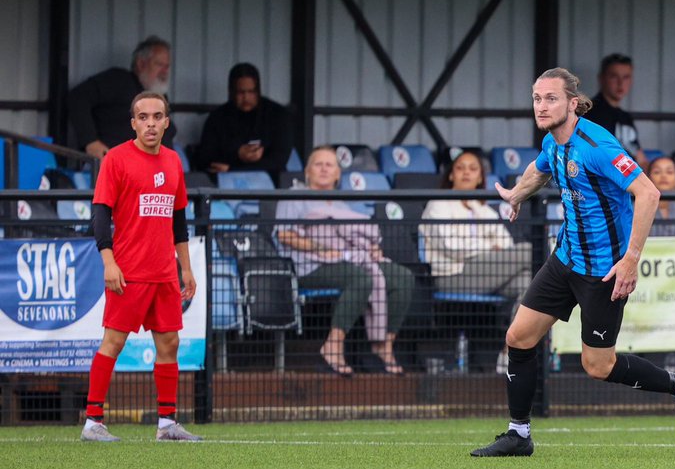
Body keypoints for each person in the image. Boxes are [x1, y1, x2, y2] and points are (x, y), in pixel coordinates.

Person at [471, 67, 675, 457]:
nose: (542, 106)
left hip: (604, 270)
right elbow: (541, 167)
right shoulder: (553, 141)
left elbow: (648, 193)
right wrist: (517, 194)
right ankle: (519, 433)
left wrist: (631, 260)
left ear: (572, 103)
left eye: (551, 98)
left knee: (598, 366)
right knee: (519, 337)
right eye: (537, 98)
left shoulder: (597, 145)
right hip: (565, 258)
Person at [81, 92, 199, 442]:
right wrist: (108, 261)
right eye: (143, 116)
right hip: (128, 271)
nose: (150, 123)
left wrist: (186, 268)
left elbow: (178, 220)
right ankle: (93, 422)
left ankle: (166, 424)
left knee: (171, 343)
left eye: (157, 116)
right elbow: (100, 215)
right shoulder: (116, 159)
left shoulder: (174, 162)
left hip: (164, 272)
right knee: (113, 342)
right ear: (133, 122)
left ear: (167, 122)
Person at [275, 146, 415, 376]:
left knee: (402, 277)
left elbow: (354, 236)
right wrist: (322, 249)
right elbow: (285, 235)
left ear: (338, 174)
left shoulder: (342, 205)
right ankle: (333, 345)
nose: (323, 169)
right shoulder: (293, 197)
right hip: (309, 265)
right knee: (360, 278)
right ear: (307, 171)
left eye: (329, 165)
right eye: (318, 164)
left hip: (348, 259)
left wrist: (371, 249)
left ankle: (384, 344)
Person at [420, 149, 531, 372]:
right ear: (451, 175)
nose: (466, 173)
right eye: (460, 168)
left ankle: (509, 352)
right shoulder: (438, 204)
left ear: (481, 177)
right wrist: (488, 247)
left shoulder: (482, 209)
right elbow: (451, 247)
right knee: (529, 251)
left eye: (473, 169)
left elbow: (506, 243)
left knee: (529, 283)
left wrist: (490, 250)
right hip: (452, 275)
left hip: (484, 272)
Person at [68, 36, 176, 158]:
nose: (165, 71)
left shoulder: (159, 96)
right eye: (159, 64)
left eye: (167, 66)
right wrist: (90, 141)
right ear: (141, 64)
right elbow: (77, 97)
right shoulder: (119, 80)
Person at [191, 62, 294, 177]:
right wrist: (238, 154)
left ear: (258, 91)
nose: (246, 98)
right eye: (240, 92)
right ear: (231, 91)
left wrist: (234, 169)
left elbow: (279, 160)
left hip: (272, 184)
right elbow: (205, 159)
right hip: (225, 187)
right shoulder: (218, 118)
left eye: (251, 92)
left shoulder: (278, 115)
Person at [583, 53, 649, 169]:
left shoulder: (625, 118)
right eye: (614, 76)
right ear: (601, 79)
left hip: (630, 180)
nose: (620, 83)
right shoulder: (589, 113)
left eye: (626, 77)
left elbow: (641, 160)